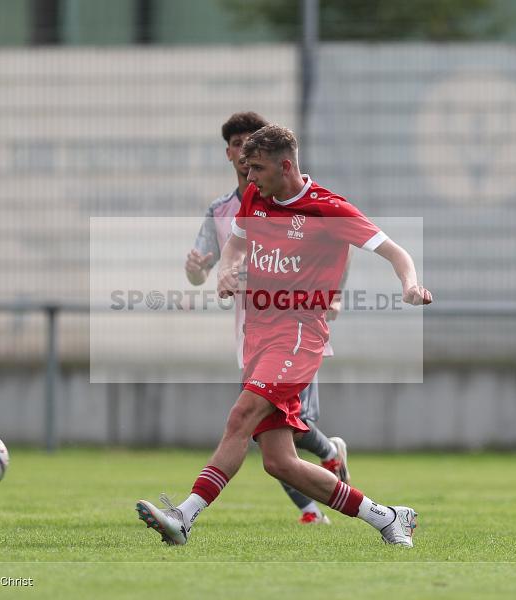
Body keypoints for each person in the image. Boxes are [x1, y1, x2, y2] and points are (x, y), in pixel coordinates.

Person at [138, 124, 431, 546]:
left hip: (298, 335)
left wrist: (409, 285)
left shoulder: (329, 208)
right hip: (257, 335)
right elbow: (237, 245)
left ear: (286, 165)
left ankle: (183, 517)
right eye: (246, 168)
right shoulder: (258, 196)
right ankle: (387, 517)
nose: (249, 179)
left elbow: (395, 251)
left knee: (240, 418)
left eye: (256, 168)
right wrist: (227, 270)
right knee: (280, 462)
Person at [185, 111, 349, 525]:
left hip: (296, 329)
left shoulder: (294, 202)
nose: (244, 155)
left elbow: (335, 245)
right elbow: (199, 271)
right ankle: (340, 475)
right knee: (270, 433)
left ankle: (314, 503)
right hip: (252, 329)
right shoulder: (222, 210)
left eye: (251, 147)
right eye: (237, 146)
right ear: (229, 153)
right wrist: (200, 268)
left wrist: (334, 294)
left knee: (271, 424)